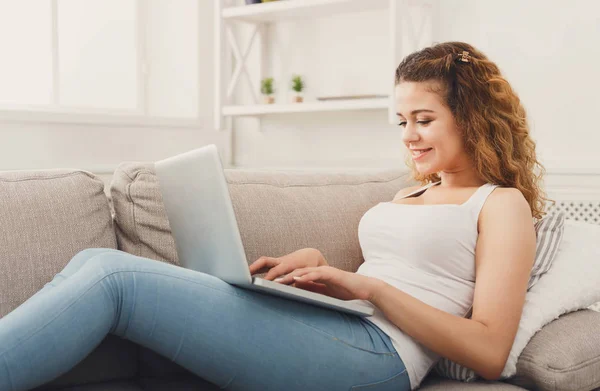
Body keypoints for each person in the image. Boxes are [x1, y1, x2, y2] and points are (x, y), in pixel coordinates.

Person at [0, 41, 551, 391]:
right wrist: (322, 270)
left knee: (111, 276)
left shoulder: (500, 204)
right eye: (401, 120)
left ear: (472, 120)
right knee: (91, 262)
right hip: (344, 326)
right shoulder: (410, 194)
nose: (408, 136)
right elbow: (389, 276)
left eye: (423, 119)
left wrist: (371, 289)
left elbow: (487, 350)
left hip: (380, 359)